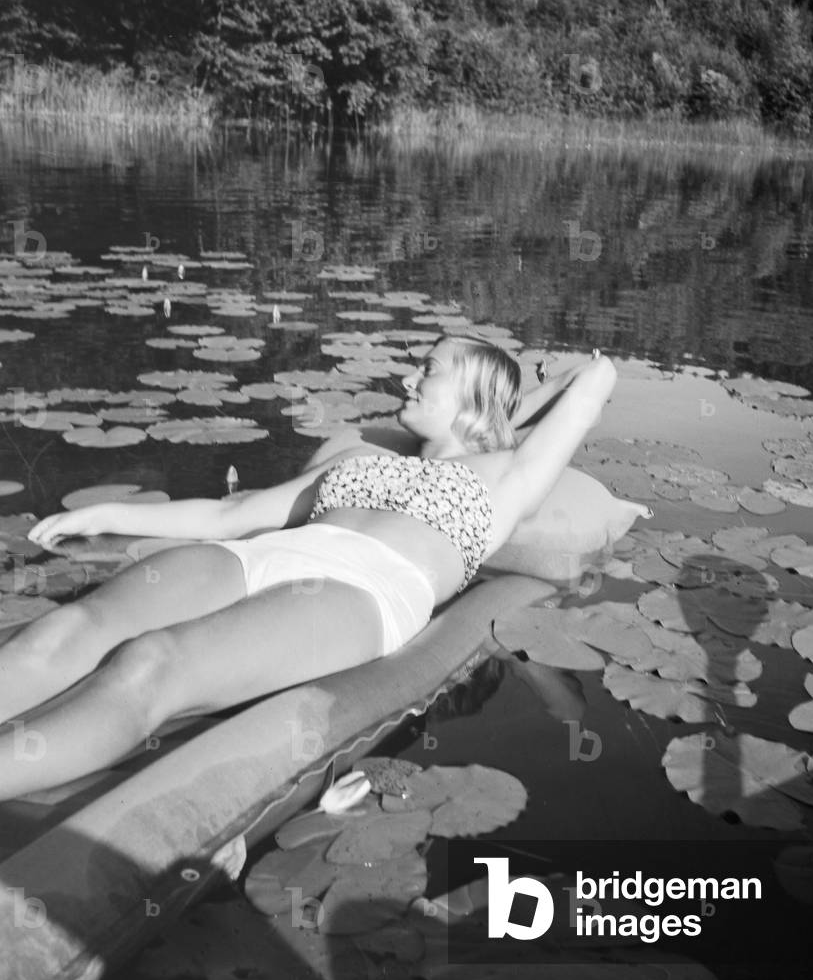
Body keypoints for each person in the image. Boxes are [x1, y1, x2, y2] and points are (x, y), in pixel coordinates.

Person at [0, 334, 617, 801]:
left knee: (150, 662)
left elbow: (596, 378)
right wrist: (103, 513)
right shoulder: (359, 460)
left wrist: (533, 386)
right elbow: (232, 514)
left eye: (429, 369)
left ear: (478, 395)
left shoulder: (509, 478)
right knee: (63, 632)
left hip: (361, 589)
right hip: (262, 555)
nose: (408, 377)